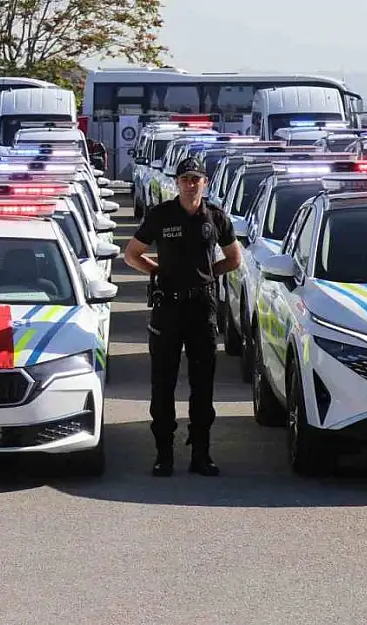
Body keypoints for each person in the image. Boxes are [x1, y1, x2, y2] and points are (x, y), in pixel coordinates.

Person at [123, 157, 241, 477]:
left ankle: (201, 454)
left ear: (205, 183)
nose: (191, 184)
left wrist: (207, 275)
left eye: (196, 179)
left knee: (202, 385)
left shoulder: (215, 217)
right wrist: (157, 271)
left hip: (202, 308)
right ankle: (164, 454)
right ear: (177, 183)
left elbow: (234, 258)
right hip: (168, 309)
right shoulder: (162, 215)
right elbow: (131, 254)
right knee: (163, 383)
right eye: (185, 179)